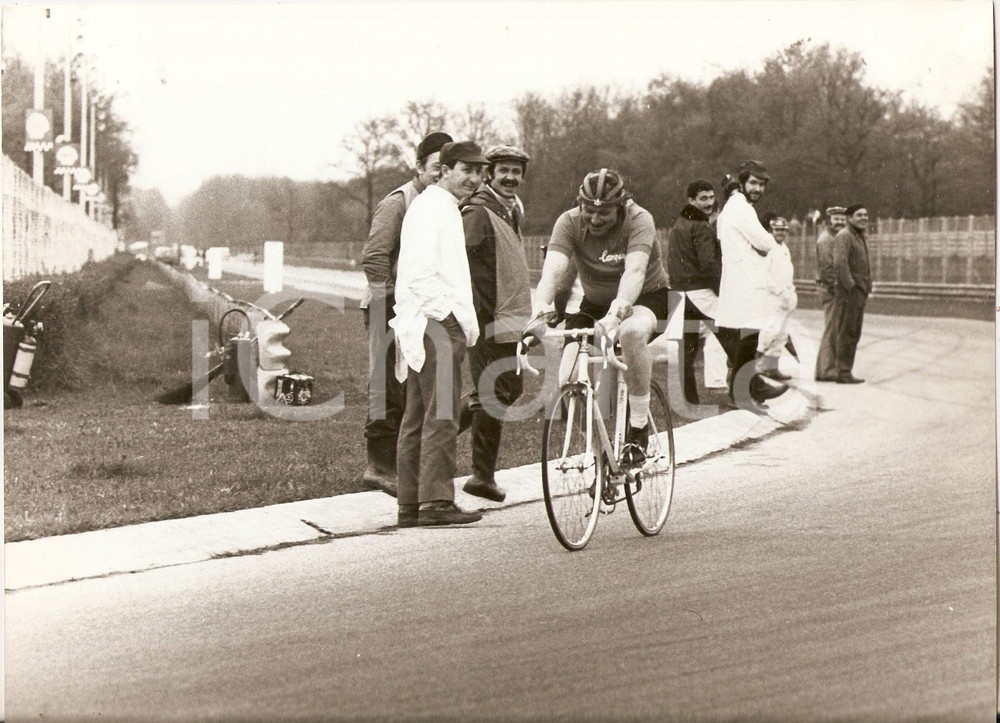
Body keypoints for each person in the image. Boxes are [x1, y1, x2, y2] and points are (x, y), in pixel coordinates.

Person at [530, 168, 671, 466]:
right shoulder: (568, 222)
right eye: (588, 211)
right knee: (568, 381)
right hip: (594, 304)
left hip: (645, 298)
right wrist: (541, 305)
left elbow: (634, 271)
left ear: (620, 207)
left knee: (631, 333)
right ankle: (602, 454)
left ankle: (638, 427)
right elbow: (553, 270)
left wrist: (618, 311)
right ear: (579, 203)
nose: (594, 220)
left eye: (604, 213)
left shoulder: (639, 219)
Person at [389, 141, 488, 527]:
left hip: (422, 322)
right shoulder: (433, 208)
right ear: (442, 170)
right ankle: (436, 502)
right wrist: (446, 319)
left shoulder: (438, 207)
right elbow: (417, 273)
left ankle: (410, 504)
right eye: (466, 170)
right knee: (442, 415)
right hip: (433, 322)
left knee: (418, 416)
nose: (474, 178)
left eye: (480, 172)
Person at [360, 131, 453, 496]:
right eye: (434, 168)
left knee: (414, 386)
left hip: (421, 307)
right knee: (386, 383)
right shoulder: (399, 201)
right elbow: (375, 256)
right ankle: (379, 467)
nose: (438, 174)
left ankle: (405, 464)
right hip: (389, 306)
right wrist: (390, 306)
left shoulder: (443, 202)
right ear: (419, 167)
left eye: (444, 169)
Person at [459, 145, 533, 503]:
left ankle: (437, 435)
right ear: (489, 173)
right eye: (503, 170)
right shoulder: (477, 211)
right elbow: (466, 266)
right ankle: (481, 476)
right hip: (488, 318)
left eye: (516, 171)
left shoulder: (511, 209)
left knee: (507, 389)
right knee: (493, 392)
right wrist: (478, 316)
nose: (510, 177)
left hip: (511, 317)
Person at [714, 160, 789, 410]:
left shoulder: (730, 209)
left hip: (738, 281)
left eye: (761, 184)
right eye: (753, 183)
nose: (758, 189)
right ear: (743, 183)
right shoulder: (742, 209)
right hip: (745, 282)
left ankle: (750, 389)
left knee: (746, 340)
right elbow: (767, 243)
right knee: (748, 339)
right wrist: (763, 244)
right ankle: (743, 392)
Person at [665, 179, 740, 406]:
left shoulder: (679, 223)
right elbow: (708, 264)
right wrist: (723, 291)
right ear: (691, 200)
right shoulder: (700, 225)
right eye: (703, 198)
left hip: (680, 293)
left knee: (687, 349)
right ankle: (744, 394)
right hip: (701, 292)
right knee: (735, 340)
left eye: (711, 197)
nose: (709, 202)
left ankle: (690, 400)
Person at [831, 204, 871, 384]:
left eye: (865, 214)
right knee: (847, 331)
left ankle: (846, 370)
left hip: (860, 289)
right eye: (859, 215)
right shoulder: (844, 236)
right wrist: (851, 286)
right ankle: (843, 372)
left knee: (854, 331)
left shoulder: (860, 236)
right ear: (849, 218)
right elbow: (840, 264)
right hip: (850, 291)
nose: (864, 218)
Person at [757, 216, 797, 380]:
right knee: (769, 332)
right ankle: (755, 364)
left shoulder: (784, 248)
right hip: (772, 296)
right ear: (771, 231)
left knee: (781, 334)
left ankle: (771, 368)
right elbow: (765, 275)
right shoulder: (768, 247)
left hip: (785, 296)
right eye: (777, 230)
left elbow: (787, 274)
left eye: (783, 230)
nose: (780, 233)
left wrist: (790, 293)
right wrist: (779, 292)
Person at [814, 205, 847, 381]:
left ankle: (825, 369)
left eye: (842, 219)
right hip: (830, 289)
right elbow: (828, 269)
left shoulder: (838, 238)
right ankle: (826, 370)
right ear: (829, 220)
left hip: (834, 288)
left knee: (834, 328)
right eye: (836, 219)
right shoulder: (826, 240)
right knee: (831, 329)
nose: (840, 222)